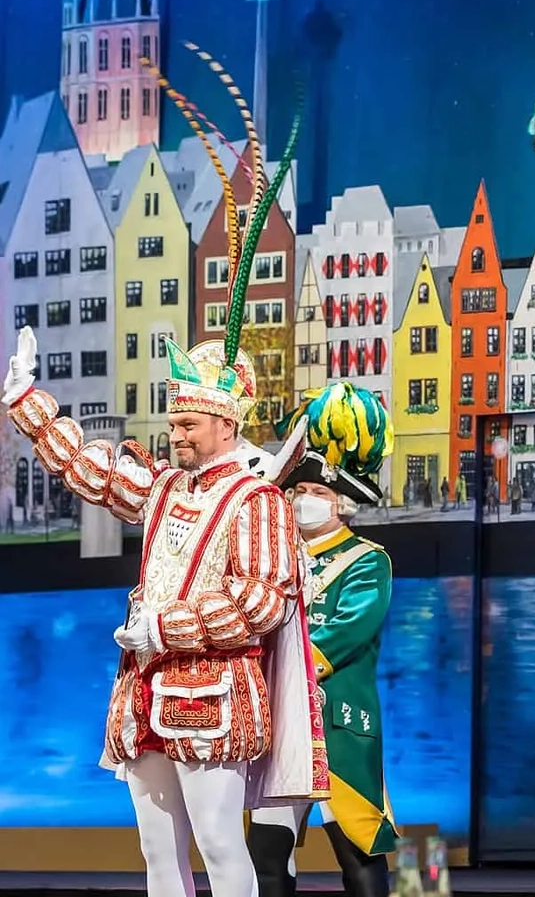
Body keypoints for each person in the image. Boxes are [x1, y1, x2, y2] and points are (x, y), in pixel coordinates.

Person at [2, 326, 326, 897]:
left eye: (187, 425)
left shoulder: (259, 501)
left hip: (213, 697)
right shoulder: (165, 488)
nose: (174, 434)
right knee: (156, 848)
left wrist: (165, 626)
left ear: (226, 424)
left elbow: (262, 601)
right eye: (173, 423)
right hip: (146, 691)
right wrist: (27, 403)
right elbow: (91, 469)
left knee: (220, 843)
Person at [248, 383, 399, 897]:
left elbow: (345, 631)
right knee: (265, 858)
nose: (302, 501)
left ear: (343, 504)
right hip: (279, 728)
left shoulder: (367, 561)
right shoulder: (273, 560)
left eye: (316, 493)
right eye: (298, 492)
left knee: (359, 856)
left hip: (335, 727)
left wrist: (286, 665)